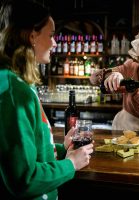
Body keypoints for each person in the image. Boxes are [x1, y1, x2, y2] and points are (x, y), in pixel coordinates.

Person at [0, 0, 94, 199]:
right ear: (32, 36)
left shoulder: (16, 82)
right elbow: (25, 179)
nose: (55, 43)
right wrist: (71, 164)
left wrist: (60, 149)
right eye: (51, 35)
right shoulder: (14, 92)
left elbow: (21, 154)